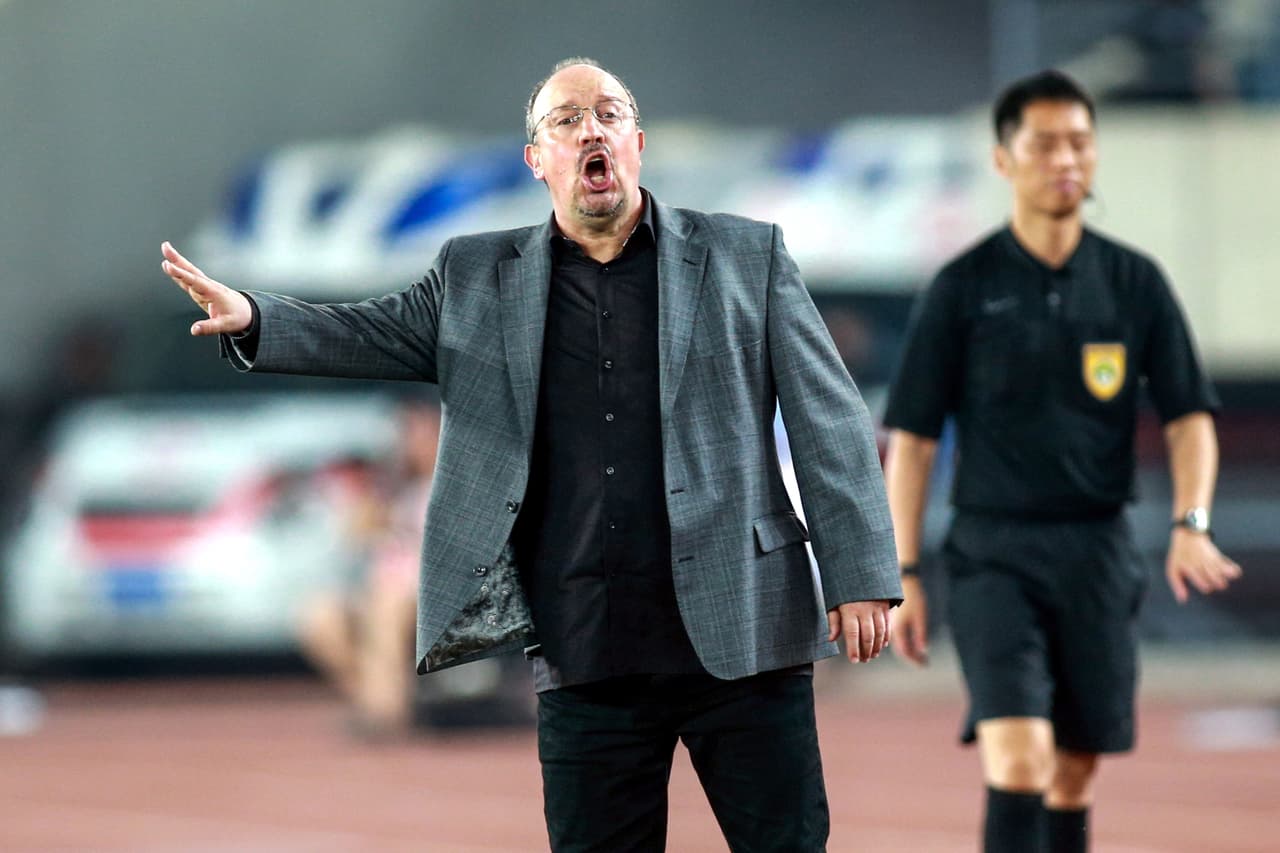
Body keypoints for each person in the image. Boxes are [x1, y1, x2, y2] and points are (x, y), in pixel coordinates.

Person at [161, 57, 900, 852]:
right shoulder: (476, 276)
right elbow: (369, 331)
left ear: (638, 143)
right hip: (587, 650)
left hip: (745, 632)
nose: (592, 128)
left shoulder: (742, 256)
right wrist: (253, 318)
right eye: (567, 119)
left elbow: (832, 418)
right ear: (537, 159)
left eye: (609, 114)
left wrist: (859, 572)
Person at [882, 69, 1241, 853]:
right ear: (1005, 160)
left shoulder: (1134, 282)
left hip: (1098, 552)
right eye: (1043, 144)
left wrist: (1193, 521)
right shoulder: (962, 288)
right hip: (992, 554)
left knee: (1074, 769)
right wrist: (902, 573)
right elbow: (911, 440)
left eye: (1079, 141)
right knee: (1019, 756)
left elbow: (1189, 418)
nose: (1065, 158)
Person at [298, 396, 440, 738]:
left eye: (424, 433)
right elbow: (353, 537)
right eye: (408, 434)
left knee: (389, 606)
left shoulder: (459, 490)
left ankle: (386, 714)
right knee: (320, 615)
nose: (415, 443)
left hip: (434, 597)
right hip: (383, 590)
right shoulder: (391, 490)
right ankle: (377, 700)